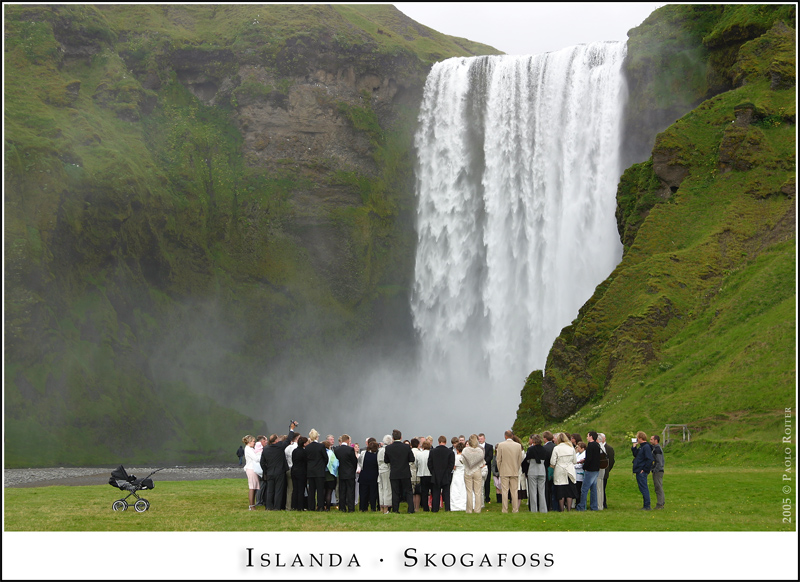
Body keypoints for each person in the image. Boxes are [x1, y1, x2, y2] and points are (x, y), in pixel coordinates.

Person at [259, 421, 298, 510]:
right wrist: (291, 429)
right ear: (276, 440)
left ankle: (269, 507)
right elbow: (288, 440)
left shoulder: (265, 449)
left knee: (270, 490)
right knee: (278, 491)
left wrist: (266, 470)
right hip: (279, 472)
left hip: (270, 472)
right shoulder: (280, 446)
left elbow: (262, 462)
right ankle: (277, 507)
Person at [383, 429, 415, 513]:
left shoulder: (388, 448)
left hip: (394, 472)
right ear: (401, 437)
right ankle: (411, 509)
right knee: (408, 491)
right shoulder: (406, 447)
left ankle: (396, 509)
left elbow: (386, 460)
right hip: (405, 472)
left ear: (393, 438)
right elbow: (412, 459)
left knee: (395, 492)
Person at [496, 429, 524, 513]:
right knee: (514, 491)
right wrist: (517, 468)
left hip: (504, 471)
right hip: (514, 470)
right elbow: (519, 460)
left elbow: (498, 460)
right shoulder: (518, 446)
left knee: (504, 491)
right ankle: (515, 509)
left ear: (505, 436)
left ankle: (505, 509)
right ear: (512, 436)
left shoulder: (501, 445)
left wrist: (500, 469)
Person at [550, 432, 577, 512]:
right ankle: (569, 509)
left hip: (560, 469)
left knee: (560, 490)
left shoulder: (556, 448)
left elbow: (552, 461)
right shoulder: (571, 448)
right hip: (570, 469)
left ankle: (561, 509)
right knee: (569, 490)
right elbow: (575, 461)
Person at [428, 435, 455, 512]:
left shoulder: (433, 451)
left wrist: (433, 472)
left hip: (436, 474)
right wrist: (447, 472)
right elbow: (451, 464)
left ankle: (435, 508)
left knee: (436, 493)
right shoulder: (450, 452)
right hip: (446, 475)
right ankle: (447, 508)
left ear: (438, 442)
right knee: (446, 493)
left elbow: (429, 464)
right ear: (446, 442)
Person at [304, 429, 328, 511]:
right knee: (320, 490)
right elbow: (326, 458)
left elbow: (306, 459)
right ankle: (320, 506)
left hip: (310, 471)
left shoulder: (307, 447)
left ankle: (311, 507)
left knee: (311, 490)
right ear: (317, 437)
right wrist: (322, 466)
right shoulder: (321, 446)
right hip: (319, 471)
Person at [577, 431, 601, 511]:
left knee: (584, 489)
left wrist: (585, 467)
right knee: (593, 488)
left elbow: (589, 458)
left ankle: (582, 506)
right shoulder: (597, 445)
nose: (587, 437)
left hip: (590, 469)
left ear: (591, 437)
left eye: (587, 436)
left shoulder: (590, 446)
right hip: (596, 469)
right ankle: (594, 506)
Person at [461, 434, 485, 514]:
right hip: (477, 471)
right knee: (478, 491)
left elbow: (461, 460)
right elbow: (482, 463)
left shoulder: (465, 450)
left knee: (469, 491)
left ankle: (469, 510)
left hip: (468, 471)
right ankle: (478, 509)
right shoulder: (480, 450)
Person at [524, 434, 548, 513]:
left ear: (533, 441)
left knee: (533, 491)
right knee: (541, 491)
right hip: (542, 470)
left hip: (533, 470)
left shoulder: (531, 449)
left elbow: (527, 460)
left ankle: (534, 509)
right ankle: (543, 509)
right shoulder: (544, 449)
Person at [334, 434, 357, 512]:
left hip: (341, 472)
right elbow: (354, 461)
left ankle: (342, 507)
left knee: (342, 491)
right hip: (350, 473)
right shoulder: (350, 449)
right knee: (350, 491)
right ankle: (351, 508)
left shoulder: (337, 450)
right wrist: (353, 469)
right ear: (347, 440)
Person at [631, 431, 654, 510]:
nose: (637, 440)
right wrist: (634, 447)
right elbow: (636, 455)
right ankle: (646, 504)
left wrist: (644, 469)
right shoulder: (641, 447)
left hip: (641, 471)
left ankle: (647, 505)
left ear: (641, 438)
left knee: (644, 488)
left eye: (637, 438)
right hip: (639, 470)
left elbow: (650, 459)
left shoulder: (646, 447)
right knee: (642, 488)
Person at [359, 439, 379, 512]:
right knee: (373, 493)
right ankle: (373, 507)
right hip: (374, 476)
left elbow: (360, 463)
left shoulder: (363, 453)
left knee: (363, 493)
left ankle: (363, 507)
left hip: (364, 475)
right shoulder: (377, 455)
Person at [242, 435, 261, 510]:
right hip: (251, 469)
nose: (254, 443)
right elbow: (256, 459)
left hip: (253, 469)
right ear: (249, 442)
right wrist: (259, 454)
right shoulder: (248, 449)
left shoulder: (250, 448)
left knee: (255, 487)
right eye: (253, 441)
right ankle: (251, 505)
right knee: (252, 487)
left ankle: (253, 504)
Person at [290, 436, 308, 510]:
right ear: (304, 444)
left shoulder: (294, 451)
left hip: (294, 471)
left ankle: (294, 505)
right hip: (301, 472)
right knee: (301, 490)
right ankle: (300, 506)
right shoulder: (304, 452)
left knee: (295, 489)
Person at [377, 434, 393, 514]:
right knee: (387, 488)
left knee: (381, 488)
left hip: (380, 470)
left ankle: (381, 507)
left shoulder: (380, 450)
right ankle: (386, 508)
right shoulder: (387, 449)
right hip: (386, 469)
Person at [415, 439, 432, 512]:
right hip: (430, 474)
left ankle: (425, 508)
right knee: (432, 491)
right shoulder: (431, 453)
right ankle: (433, 505)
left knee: (424, 492)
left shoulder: (419, 454)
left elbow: (416, 464)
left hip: (422, 474)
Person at [449, 442, 467, 511]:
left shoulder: (455, 457)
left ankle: (455, 505)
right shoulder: (465, 457)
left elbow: (454, 467)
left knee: (456, 489)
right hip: (464, 473)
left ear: (457, 449)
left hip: (457, 474)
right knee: (463, 489)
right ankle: (464, 504)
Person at [284, 432, 299, 510]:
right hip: (295, 469)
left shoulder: (287, 448)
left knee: (290, 489)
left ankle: (288, 506)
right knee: (296, 489)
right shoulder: (296, 448)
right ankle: (294, 506)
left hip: (288, 468)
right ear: (297, 438)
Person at [599, 433, 614, 509]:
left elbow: (611, 461)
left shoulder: (609, 448)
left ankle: (604, 503)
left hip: (605, 471)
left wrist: (608, 469)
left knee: (603, 487)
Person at [542, 431, 556, 511]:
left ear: (545, 438)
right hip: (555, 469)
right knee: (553, 488)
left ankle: (547, 505)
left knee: (547, 488)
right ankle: (553, 504)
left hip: (546, 469)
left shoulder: (544, 448)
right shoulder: (555, 446)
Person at [650, 435, 665, 509]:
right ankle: (661, 502)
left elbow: (659, 462)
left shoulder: (657, 449)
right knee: (658, 487)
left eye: (651, 439)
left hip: (658, 471)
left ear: (656, 440)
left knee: (658, 487)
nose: (650, 441)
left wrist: (654, 470)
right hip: (658, 470)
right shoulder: (655, 448)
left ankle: (660, 504)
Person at [478, 433, 494, 505]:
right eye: (479, 439)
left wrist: (484, 463)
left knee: (487, 482)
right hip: (478, 466)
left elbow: (490, 456)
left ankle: (487, 497)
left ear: (484, 439)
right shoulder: (476, 447)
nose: (480, 440)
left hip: (486, 466)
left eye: (481, 439)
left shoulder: (489, 446)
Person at [573, 441, 585, 510]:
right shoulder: (578, 454)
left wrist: (574, 465)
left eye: (579, 448)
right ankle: (576, 503)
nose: (578, 449)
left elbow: (580, 464)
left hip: (580, 474)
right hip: (576, 474)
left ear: (583, 448)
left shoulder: (584, 454)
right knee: (576, 490)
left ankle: (579, 503)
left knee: (579, 490)